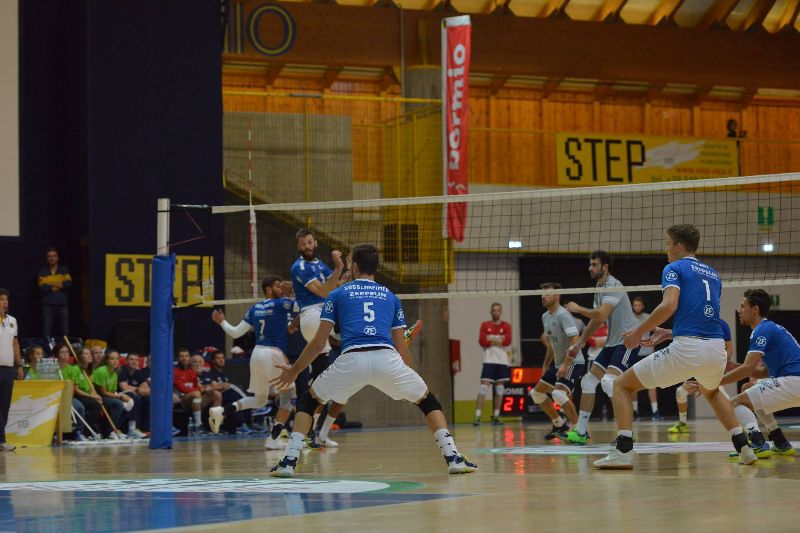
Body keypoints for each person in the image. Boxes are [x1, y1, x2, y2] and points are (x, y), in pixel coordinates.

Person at [268, 244, 476, 477]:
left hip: (351, 360)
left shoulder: (337, 294)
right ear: (375, 268)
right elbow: (402, 351)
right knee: (428, 402)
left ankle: (288, 462)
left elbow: (318, 344)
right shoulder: (391, 296)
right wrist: (404, 378)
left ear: (354, 267)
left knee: (308, 402)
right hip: (386, 359)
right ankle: (453, 457)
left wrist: (294, 370)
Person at [594, 224, 757, 469]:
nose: (666, 249)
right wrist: (670, 333)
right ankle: (744, 448)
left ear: (679, 246)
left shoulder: (674, 268)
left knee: (621, 385)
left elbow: (669, 305)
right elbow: (702, 318)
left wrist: (638, 333)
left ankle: (623, 451)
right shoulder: (713, 274)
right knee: (712, 392)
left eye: (668, 244)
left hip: (688, 350)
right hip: (716, 350)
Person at [209, 275, 298, 449]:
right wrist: (294, 287)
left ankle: (222, 410)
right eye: (278, 286)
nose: (282, 288)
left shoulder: (254, 308)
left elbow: (235, 332)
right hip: (273, 354)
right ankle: (273, 439)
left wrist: (222, 322)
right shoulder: (281, 303)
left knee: (260, 400)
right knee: (290, 397)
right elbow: (304, 304)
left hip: (257, 354)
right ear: (269, 290)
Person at [563, 251, 640, 444]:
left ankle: (627, 434)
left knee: (609, 382)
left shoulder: (613, 285)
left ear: (605, 267)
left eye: (594, 264)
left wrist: (577, 309)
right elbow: (596, 321)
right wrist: (579, 343)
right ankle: (581, 432)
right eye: (590, 264)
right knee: (588, 382)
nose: (590, 268)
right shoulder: (599, 287)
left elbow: (600, 315)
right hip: (612, 343)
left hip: (628, 341)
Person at [714, 289, 798, 458]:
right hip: (793, 382)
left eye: (742, 306)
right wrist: (735, 367)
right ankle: (780, 442)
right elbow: (764, 371)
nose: (739, 310)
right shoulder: (771, 328)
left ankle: (757, 443)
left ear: (755, 309)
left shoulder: (762, 330)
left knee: (735, 402)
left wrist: (714, 382)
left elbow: (747, 369)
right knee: (748, 387)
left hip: (793, 382)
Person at [290, 228, 347, 446]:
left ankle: (311, 432)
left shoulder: (320, 265)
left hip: (321, 314)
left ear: (315, 242)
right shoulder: (299, 267)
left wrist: (346, 276)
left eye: (310, 242)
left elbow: (335, 286)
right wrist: (339, 267)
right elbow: (324, 292)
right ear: (298, 246)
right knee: (324, 380)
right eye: (303, 243)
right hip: (313, 316)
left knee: (322, 381)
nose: (307, 246)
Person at [529, 282, 582, 440]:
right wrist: (546, 364)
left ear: (557, 296)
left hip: (574, 362)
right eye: (542, 293)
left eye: (547, 293)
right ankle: (559, 424)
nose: (543, 296)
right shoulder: (545, 316)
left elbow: (575, 339)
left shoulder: (563, 315)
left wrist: (566, 363)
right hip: (559, 364)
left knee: (558, 394)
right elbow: (552, 344)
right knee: (536, 394)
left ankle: (580, 431)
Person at [668, 319, 734, 434]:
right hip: (697, 366)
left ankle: (738, 425)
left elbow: (729, 348)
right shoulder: (694, 322)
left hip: (713, 366)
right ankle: (683, 424)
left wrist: (721, 362)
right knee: (681, 391)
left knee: (722, 395)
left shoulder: (722, 324)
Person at [473, 303, 512, 426]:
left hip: (502, 361)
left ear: (501, 312)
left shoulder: (506, 326)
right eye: (494, 310)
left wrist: (490, 339)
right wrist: (499, 340)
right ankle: (477, 417)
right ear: (491, 312)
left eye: (498, 310)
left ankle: (496, 416)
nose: (496, 312)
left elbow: (507, 341)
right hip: (489, 361)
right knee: (483, 388)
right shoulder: (485, 325)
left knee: (499, 390)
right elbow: (482, 341)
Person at [93, 350, 146, 439]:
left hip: (109, 396)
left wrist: (122, 397)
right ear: (107, 360)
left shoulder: (115, 373)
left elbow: (113, 391)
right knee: (118, 404)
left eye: (117, 359)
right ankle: (109, 431)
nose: (115, 361)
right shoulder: (101, 371)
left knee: (130, 402)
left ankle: (116, 429)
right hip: (99, 397)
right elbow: (103, 393)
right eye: (112, 359)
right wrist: (120, 396)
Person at [0, 288, 24, 451]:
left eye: (6, 299)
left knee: (4, 406)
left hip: (8, 369)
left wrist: (19, 364)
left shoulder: (12, 321)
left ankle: (2, 440)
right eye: (1, 299)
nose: (5, 302)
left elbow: (15, 343)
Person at [631, 296, 662, 421]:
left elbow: (657, 331)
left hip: (647, 354)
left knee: (651, 383)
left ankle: (655, 411)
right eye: (635, 305)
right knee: (633, 384)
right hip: (633, 354)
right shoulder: (629, 318)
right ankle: (634, 411)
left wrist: (653, 345)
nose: (637, 307)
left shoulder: (648, 317)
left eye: (639, 305)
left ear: (642, 306)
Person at [63, 344, 103, 439]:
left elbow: (91, 388)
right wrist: (93, 397)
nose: (89, 356)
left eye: (89, 354)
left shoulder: (87, 370)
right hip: (77, 396)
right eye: (86, 354)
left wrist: (96, 396)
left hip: (86, 395)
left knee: (98, 404)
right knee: (95, 406)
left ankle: (92, 431)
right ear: (79, 357)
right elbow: (76, 390)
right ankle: (83, 431)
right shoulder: (76, 369)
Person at [174, 348, 218, 434]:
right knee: (196, 394)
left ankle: (213, 425)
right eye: (181, 356)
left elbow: (196, 386)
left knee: (216, 394)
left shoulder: (192, 371)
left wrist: (206, 389)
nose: (184, 358)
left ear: (189, 358)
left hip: (195, 400)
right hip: (181, 400)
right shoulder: (175, 371)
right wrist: (201, 389)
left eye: (186, 356)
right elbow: (183, 389)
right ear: (178, 358)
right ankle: (198, 426)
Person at [37, 247, 72, 343]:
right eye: (49, 256)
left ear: (57, 258)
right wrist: (59, 284)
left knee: (64, 331)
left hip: (62, 304)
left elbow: (68, 283)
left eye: (54, 256)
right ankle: (48, 348)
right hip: (48, 304)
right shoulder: (42, 271)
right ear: (46, 259)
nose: (52, 258)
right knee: (47, 330)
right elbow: (42, 286)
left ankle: (65, 348)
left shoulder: (64, 270)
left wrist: (51, 284)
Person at [119, 353, 150, 432]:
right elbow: (125, 388)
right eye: (131, 359)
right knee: (135, 397)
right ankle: (133, 429)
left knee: (147, 399)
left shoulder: (138, 372)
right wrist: (138, 389)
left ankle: (146, 429)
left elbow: (148, 391)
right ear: (126, 361)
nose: (134, 362)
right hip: (120, 395)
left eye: (136, 360)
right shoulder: (122, 371)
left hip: (134, 395)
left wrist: (135, 389)